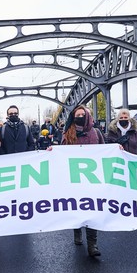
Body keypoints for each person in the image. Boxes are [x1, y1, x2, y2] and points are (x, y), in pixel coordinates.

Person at [51, 105, 104, 257]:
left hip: (93, 178)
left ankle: (92, 244)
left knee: (92, 210)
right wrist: (53, 152)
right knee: (77, 207)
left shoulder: (96, 132)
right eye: (77, 114)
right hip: (74, 178)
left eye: (82, 114)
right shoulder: (68, 133)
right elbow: (61, 152)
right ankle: (77, 231)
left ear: (87, 115)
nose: (79, 116)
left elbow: (105, 150)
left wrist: (117, 148)